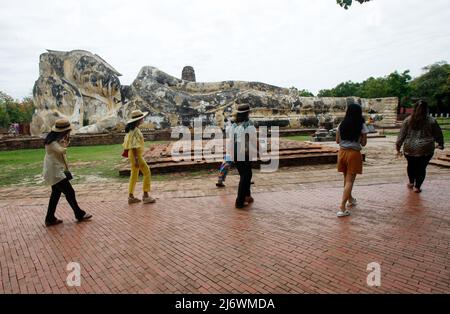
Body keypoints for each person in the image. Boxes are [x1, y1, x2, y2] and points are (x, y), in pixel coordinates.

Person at [43, 118, 92, 226]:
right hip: (55, 172)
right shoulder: (51, 142)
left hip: (56, 171)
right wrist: (65, 141)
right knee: (70, 192)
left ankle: (50, 218)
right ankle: (79, 214)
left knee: (55, 195)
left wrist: (65, 140)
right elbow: (61, 150)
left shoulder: (56, 140)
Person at [396, 100, 444, 193]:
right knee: (421, 168)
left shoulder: (408, 120)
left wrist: (398, 146)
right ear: (427, 109)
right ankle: (417, 187)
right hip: (426, 148)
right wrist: (440, 144)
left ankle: (411, 182)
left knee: (411, 165)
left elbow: (401, 135)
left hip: (410, 147)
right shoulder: (432, 121)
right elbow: (438, 134)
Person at [336, 104, 369, 218]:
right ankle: (342, 207)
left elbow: (337, 140)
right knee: (350, 181)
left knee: (346, 178)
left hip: (342, 153)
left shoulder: (342, 124)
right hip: (354, 154)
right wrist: (358, 138)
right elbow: (364, 143)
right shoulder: (361, 125)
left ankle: (350, 199)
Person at [123, 110, 155, 204]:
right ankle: (145, 195)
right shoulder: (135, 131)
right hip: (135, 155)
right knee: (147, 172)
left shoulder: (132, 130)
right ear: (139, 119)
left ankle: (131, 196)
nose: (143, 119)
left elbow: (133, 144)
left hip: (134, 155)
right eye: (142, 118)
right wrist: (137, 159)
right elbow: (133, 146)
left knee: (134, 175)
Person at [228, 104, 257, 209]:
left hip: (236, 149)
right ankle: (239, 201)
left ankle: (247, 196)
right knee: (245, 176)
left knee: (246, 174)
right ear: (248, 113)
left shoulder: (234, 125)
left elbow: (231, 141)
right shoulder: (249, 125)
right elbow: (253, 140)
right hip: (244, 150)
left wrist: (231, 153)